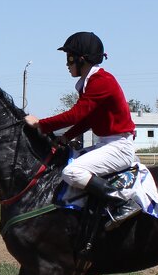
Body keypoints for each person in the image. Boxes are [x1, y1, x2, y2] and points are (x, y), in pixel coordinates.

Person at [23, 31, 139, 224]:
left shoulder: (102, 81)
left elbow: (76, 115)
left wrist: (40, 124)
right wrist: (67, 137)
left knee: (71, 172)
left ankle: (122, 203)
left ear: (82, 59)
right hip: (108, 144)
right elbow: (88, 119)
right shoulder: (90, 83)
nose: (67, 65)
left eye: (69, 59)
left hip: (119, 147)